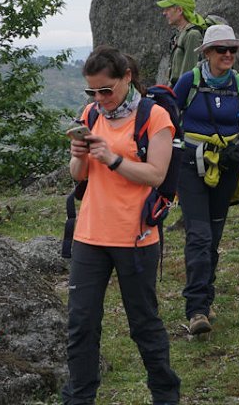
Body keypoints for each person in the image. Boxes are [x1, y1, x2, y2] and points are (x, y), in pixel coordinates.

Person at [66, 48, 180, 405]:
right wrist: (79, 156)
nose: (100, 98)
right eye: (93, 91)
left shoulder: (155, 116)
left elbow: (156, 174)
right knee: (81, 325)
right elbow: (77, 176)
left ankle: (165, 396)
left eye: (106, 90)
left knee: (143, 323)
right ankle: (79, 399)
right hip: (90, 235)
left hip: (136, 236)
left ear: (127, 77)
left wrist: (113, 159)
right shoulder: (90, 115)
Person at [172, 24, 239, 337]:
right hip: (190, 167)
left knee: (213, 237)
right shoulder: (189, 81)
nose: (228, 54)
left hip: (227, 168)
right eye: (221, 49)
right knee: (198, 235)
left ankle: (206, 297)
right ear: (207, 52)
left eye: (232, 49)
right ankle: (196, 309)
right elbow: (168, 119)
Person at [156, 0, 208, 84]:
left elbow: (190, 75)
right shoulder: (179, 35)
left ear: (179, 10)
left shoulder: (193, 35)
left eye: (168, 9)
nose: (164, 13)